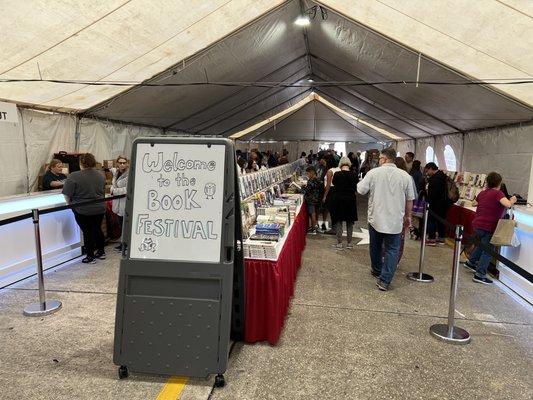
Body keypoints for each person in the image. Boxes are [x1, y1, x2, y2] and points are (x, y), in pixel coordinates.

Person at [357, 147, 415, 291]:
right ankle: (385, 280)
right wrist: (408, 217)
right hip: (395, 219)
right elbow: (409, 200)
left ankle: (377, 269)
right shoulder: (405, 176)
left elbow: (361, 190)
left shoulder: (373, 173)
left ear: (383, 158)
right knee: (392, 249)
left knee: (375, 246)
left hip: (376, 217)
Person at [462, 172, 517, 285]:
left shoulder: (482, 193)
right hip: (489, 227)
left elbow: (474, 204)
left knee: (482, 246)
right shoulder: (498, 194)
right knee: (487, 251)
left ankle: (471, 262)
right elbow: (507, 204)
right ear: (499, 183)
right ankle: (480, 274)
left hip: (477, 225)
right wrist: (513, 200)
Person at [62, 153, 106, 264]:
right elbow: (103, 190)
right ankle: (101, 251)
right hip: (99, 207)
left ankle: (90, 256)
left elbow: (67, 194)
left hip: (82, 209)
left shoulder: (73, 176)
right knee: (97, 229)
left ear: (81, 163)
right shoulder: (101, 174)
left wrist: (69, 204)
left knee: (87, 232)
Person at [330, 157, 358, 250]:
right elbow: (356, 187)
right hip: (351, 200)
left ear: (340, 164)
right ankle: (349, 243)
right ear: (349, 164)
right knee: (350, 222)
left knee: (339, 221)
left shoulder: (337, 174)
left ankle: (339, 243)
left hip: (339, 199)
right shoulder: (354, 174)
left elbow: (333, 184)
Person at [425, 162, 450, 246]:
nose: (427, 173)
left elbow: (433, 194)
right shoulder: (442, 176)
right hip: (443, 204)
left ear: (432, 169)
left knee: (432, 221)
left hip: (435, 204)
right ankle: (441, 238)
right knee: (441, 221)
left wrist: (428, 200)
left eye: (427, 170)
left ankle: (432, 239)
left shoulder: (436, 179)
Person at [110, 155, 129, 252]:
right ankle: (122, 243)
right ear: (117, 163)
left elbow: (127, 189)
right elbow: (112, 186)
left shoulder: (129, 175)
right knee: (120, 224)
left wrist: (114, 191)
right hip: (117, 202)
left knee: (125, 226)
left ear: (127, 164)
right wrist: (112, 189)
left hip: (125, 202)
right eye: (120, 163)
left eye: (124, 163)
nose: (122, 165)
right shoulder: (116, 173)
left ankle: (126, 244)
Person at [323, 155, 340, 233]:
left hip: (331, 191)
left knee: (331, 210)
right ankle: (336, 227)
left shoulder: (330, 171)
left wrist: (325, 196)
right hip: (338, 190)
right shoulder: (338, 169)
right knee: (335, 210)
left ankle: (334, 229)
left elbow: (328, 184)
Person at [303, 166, 321, 234]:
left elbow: (308, 190)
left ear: (312, 173)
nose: (307, 175)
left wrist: (302, 189)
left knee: (312, 213)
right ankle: (314, 226)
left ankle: (314, 228)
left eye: (308, 174)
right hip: (315, 198)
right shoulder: (317, 179)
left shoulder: (311, 181)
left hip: (311, 199)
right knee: (314, 213)